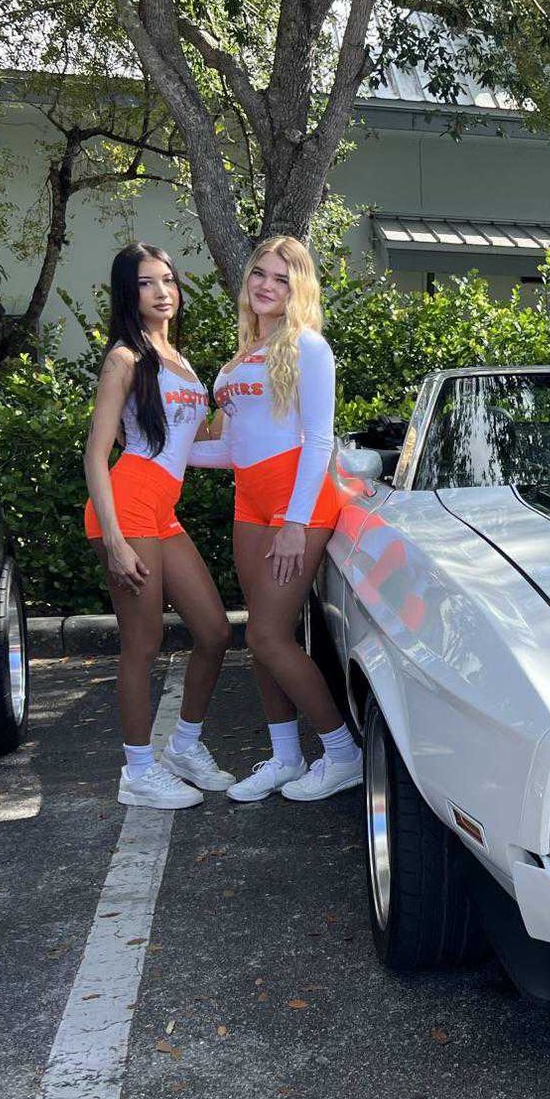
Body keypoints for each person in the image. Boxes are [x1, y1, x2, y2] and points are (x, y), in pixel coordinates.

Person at [189, 235, 360, 803]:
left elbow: (318, 441)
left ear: (298, 288)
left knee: (267, 635)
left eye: (282, 278)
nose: (267, 285)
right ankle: (285, 756)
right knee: (262, 635)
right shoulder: (240, 357)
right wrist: (162, 450)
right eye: (260, 273)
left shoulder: (308, 346)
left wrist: (293, 521)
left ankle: (343, 754)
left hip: (297, 508)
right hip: (250, 502)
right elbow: (231, 449)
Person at [83, 243, 236, 809]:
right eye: (147, 283)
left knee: (215, 632)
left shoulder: (179, 358)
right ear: (129, 293)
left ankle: (185, 747)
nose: (162, 292)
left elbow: (191, 440)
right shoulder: (125, 358)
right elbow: (96, 452)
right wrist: (115, 540)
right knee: (143, 643)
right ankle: (139, 772)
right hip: (127, 508)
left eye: (168, 280)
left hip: (162, 511)